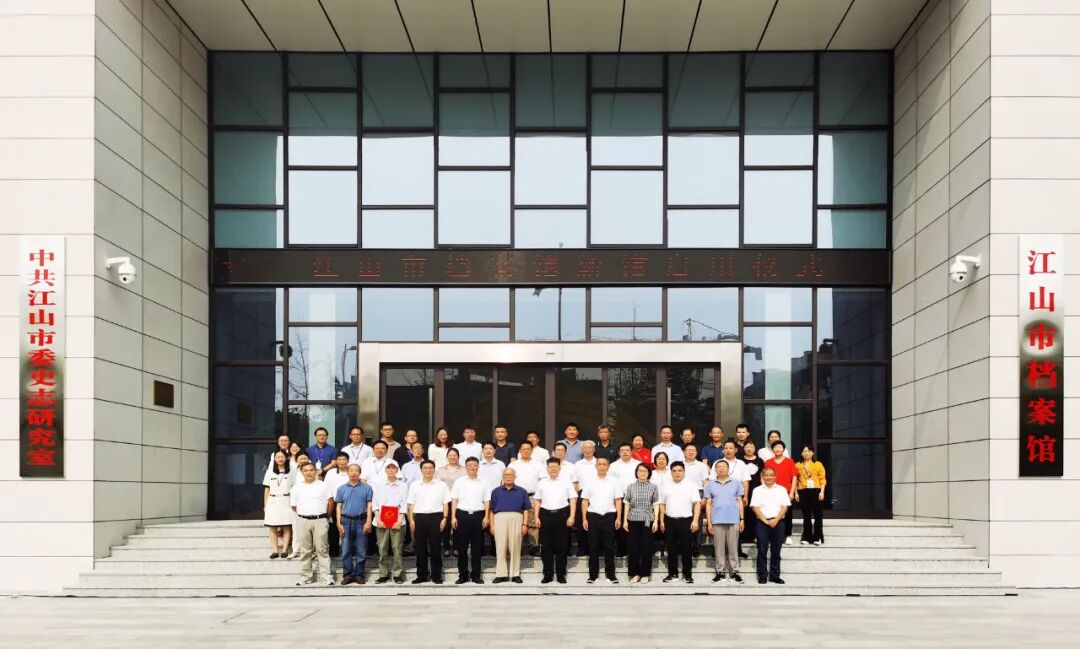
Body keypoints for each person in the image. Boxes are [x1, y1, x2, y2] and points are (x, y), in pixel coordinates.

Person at [290, 462, 335, 586]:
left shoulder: (323, 485)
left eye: (311, 470)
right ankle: (306, 576)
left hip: (320, 520)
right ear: (301, 472)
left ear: (315, 471)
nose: (309, 473)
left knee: (322, 549)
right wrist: (305, 513)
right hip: (303, 521)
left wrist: (325, 516)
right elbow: (294, 506)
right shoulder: (296, 488)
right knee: (305, 550)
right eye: (306, 470)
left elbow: (330, 502)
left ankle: (326, 576)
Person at [534, 458, 577, 584]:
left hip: (562, 515)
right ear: (547, 468)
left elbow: (572, 500)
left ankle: (560, 574)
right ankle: (547, 574)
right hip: (545, 515)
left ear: (559, 468)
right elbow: (537, 500)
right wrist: (536, 517)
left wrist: (572, 516)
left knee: (562, 546)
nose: (553, 469)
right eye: (550, 467)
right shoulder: (542, 482)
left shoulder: (566, 482)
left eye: (555, 466)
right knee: (546, 546)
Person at [407, 460, 451, 584]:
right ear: (421, 470)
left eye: (430, 468)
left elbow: (445, 503)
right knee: (420, 548)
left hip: (436, 517)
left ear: (434, 469)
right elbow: (411, 504)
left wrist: (445, 518)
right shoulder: (415, 485)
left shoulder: (441, 485)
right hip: (419, 518)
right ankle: (421, 575)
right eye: (425, 468)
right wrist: (411, 519)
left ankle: (436, 575)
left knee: (435, 547)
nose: (428, 470)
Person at [581, 456, 621, 584]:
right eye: (599, 464)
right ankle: (593, 575)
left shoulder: (614, 481)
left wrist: (619, 517)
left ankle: (611, 575)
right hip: (593, 516)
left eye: (604, 464)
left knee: (609, 547)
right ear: (596, 466)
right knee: (593, 547)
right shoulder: (589, 481)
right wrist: (584, 518)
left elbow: (618, 500)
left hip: (609, 516)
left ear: (608, 466)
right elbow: (585, 501)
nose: (602, 466)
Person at [487, 468, 531, 583]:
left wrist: (525, 524)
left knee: (515, 546)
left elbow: (526, 509)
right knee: (500, 547)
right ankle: (501, 574)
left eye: (511, 475)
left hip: (517, 518)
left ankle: (515, 574)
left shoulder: (522, 491)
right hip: (499, 518)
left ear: (515, 477)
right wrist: (492, 525)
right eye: (506, 475)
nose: (508, 477)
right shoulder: (496, 491)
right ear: (502, 477)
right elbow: (491, 510)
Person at [659, 461, 700, 583]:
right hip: (669, 520)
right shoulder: (665, 486)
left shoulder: (691, 485)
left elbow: (697, 504)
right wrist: (661, 520)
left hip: (686, 521)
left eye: (680, 470)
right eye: (674, 471)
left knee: (687, 549)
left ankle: (687, 575)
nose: (677, 473)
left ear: (684, 472)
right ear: (671, 472)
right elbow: (662, 504)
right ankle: (672, 574)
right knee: (671, 549)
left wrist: (695, 521)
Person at [450, 457, 490, 584]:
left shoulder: (484, 482)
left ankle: (476, 575)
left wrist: (486, 516)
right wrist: (453, 517)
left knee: (477, 548)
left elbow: (487, 501)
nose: (472, 467)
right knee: (462, 547)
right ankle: (463, 575)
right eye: (469, 465)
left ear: (478, 466)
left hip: (478, 515)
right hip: (462, 515)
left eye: (474, 465)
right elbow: (454, 500)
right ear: (466, 467)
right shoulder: (459, 481)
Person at [704, 459, 744, 583]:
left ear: (728, 469)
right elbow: (708, 504)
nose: (721, 469)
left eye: (724, 467)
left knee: (733, 548)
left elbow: (740, 501)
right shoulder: (710, 484)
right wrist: (709, 522)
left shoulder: (736, 482)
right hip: (717, 520)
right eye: (718, 467)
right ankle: (720, 572)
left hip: (733, 519)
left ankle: (734, 572)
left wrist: (742, 519)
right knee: (719, 548)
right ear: (715, 470)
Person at [750, 466, 791, 584]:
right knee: (762, 550)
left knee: (776, 551)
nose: (769, 477)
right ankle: (762, 575)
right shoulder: (757, 490)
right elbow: (755, 507)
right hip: (762, 523)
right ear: (763, 476)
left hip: (778, 523)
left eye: (771, 475)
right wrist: (766, 521)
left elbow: (785, 507)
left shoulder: (781, 489)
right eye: (766, 475)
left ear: (775, 476)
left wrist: (776, 520)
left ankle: (774, 575)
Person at [334, 463, 374, 585]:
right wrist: (338, 523)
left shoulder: (367, 488)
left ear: (360, 473)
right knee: (346, 550)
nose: (353, 473)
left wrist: (368, 522)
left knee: (361, 550)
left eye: (356, 470)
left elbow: (369, 506)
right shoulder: (341, 488)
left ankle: (359, 575)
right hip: (345, 521)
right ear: (347, 472)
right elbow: (338, 506)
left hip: (361, 521)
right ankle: (348, 575)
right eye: (351, 470)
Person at [372, 461, 408, 584]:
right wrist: (378, 519)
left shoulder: (403, 485)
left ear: (397, 470)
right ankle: (384, 574)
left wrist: (399, 521)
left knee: (397, 548)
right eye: (389, 468)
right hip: (381, 521)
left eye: (393, 468)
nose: (391, 470)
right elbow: (375, 504)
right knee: (382, 548)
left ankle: (397, 574)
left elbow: (404, 504)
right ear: (385, 470)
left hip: (397, 521)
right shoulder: (379, 485)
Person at [622, 463, 659, 583]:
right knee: (633, 547)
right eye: (640, 471)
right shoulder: (631, 486)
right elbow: (627, 504)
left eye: (645, 471)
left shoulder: (653, 487)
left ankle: (645, 574)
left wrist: (656, 520)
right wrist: (624, 520)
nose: (642, 473)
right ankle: (634, 573)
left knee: (646, 547)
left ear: (649, 473)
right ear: (636, 473)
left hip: (648, 519)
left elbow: (656, 504)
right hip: (633, 519)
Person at [508, 441, 544, 556]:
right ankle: (518, 547)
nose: (526, 451)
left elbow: (543, 481)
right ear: (520, 450)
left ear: (531, 450)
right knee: (518, 522)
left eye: (528, 449)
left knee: (533, 523)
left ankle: (534, 546)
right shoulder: (513, 465)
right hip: (516, 496)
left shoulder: (538, 465)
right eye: (523, 449)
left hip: (533, 496)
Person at [608, 443, 641, 557]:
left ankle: (634, 550)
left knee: (634, 523)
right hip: (619, 497)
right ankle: (621, 550)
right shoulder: (613, 466)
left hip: (636, 497)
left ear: (632, 452)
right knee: (620, 523)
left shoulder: (638, 464)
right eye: (622, 450)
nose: (625, 452)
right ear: (619, 452)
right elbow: (610, 482)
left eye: (627, 450)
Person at [764, 440, 798, 544]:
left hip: (786, 491)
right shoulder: (768, 462)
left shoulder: (789, 461)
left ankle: (787, 535)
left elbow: (794, 477)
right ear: (772, 450)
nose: (777, 449)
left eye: (780, 447)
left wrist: (792, 492)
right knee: (772, 512)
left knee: (787, 514)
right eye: (775, 447)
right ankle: (774, 535)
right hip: (772, 491)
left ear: (783, 449)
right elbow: (764, 477)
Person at [435, 448, 466, 557]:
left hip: (460, 500)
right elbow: (437, 485)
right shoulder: (441, 470)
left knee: (458, 524)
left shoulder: (464, 469)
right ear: (447, 457)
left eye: (455, 455)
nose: (453, 457)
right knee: (446, 524)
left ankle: (457, 547)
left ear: (458, 457)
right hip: (446, 500)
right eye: (450, 455)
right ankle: (446, 547)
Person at [262, 450, 293, 559]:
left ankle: (285, 550)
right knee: (273, 526)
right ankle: (275, 550)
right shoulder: (269, 472)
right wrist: (265, 505)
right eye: (278, 457)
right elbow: (267, 489)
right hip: (273, 501)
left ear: (286, 458)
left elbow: (294, 488)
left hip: (287, 500)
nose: (280, 459)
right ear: (274, 459)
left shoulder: (291, 472)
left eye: (282, 457)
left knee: (286, 526)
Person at [795, 445, 827, 546]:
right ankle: (806, 537)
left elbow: (822, 479)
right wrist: (796, 492)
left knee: (818, 515)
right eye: (804, 451)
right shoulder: (797, 465)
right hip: (803, 491)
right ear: (801, 453)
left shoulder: (818, 464)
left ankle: (818, 537)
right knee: (806, 515)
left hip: (816, 491)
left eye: (809, 451)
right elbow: (795, 480)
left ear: (812, 453)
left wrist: (822, 492)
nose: (807, 453)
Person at [738, 439, 765, 555]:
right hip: (742, 489)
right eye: (747, 447)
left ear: (755, 448)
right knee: (743, 512)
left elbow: (762, 475)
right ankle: (743, 535)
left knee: (755, 512)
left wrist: (763, 488)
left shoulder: (759, 460)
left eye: (751, 447)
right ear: (743, 448)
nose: (749, 449)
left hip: (756, 489)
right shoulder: (740, 460)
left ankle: (754, 535)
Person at [681, 443, 708, 557]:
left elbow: (706, 482)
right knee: (683, 521)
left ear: (696, 452)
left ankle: (696, 548)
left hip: (698, 492)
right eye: (688, 450)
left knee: (697, 521)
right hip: (682, 494)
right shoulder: (679, 465)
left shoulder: (702, 466)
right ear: (684, 452)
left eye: (693, 450)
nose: (691, 452)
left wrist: (705, 497)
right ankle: (684, 547)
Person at [323, 452, 351, 557]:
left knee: (348, 527)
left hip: (349, 503)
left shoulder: (351, 471)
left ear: (348, 461)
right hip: (334, 503)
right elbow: (326, 487)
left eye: (344, 459)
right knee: (333, 528)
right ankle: (333, 551)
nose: (341, 462)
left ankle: (348, 551)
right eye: (339, 460)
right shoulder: (331, 472)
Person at [286, 452, 311, 559]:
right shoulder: (293, 472)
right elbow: (289, 488)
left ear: (308, 459)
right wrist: (292, 502)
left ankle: (309, 551)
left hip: (310, 504)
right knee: (296, 528)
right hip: (296, 504)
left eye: (305, 458)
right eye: (300, 458)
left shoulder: (312, 470)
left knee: (309, 529)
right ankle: (296, 550)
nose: (302, 460)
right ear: (296, 460)